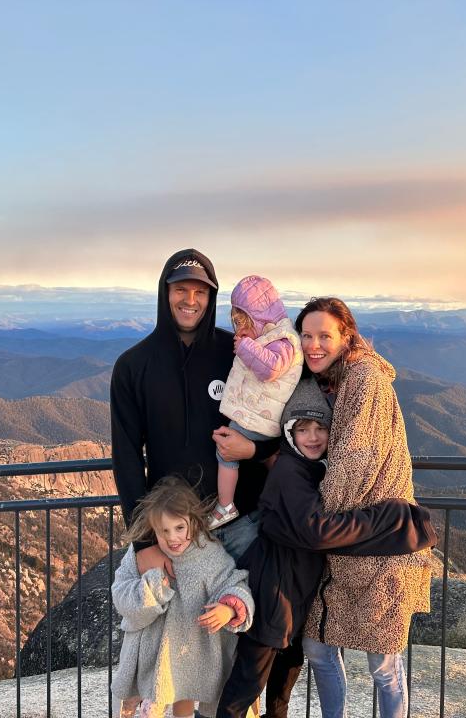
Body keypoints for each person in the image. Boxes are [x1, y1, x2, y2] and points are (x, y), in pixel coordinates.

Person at [216, 379, 437, 718]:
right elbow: (319, 532)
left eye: (321, 427)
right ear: (289, 432)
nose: (314, 436)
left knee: (283, 679)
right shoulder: (290, 472)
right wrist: (400, 522)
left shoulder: (312, 469)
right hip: (276, 593)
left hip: (294, 594)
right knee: (246, 685)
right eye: (303, 429)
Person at [297, 297, 432, 718]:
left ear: (346, 336)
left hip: (381, 546)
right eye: (306, 336)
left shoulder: (364, 380)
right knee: (318, 647)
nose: (314, 345)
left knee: (384, 666)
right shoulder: (333, 380)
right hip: (348, 545)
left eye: (324, 336)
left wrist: (315, 518)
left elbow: (355, 457)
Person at [110, 249, 278, 574]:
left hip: (243, 524)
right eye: (181, 290)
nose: (191, 300)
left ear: (211, 297)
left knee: (249, 619)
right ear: (165, 293)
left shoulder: (240, 355)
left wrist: (256, 449)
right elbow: (126, 456)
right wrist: (144, 543)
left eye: (200, 291)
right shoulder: (133, 367)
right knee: (185, 625)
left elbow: (273, 420)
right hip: (175, 532)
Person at [112, 477, 254, 718]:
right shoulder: (141, 556)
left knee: (183, 696)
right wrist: (153, 588)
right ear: (152, 529)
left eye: (179, 528)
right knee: (156, 701)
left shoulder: (207, 553)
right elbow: (121, 593)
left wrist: (228, 610)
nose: (172, 538)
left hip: (191, 651)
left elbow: (234, 583)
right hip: (154, 656)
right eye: (163, 531)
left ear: (193, 521)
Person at [209, 275, 303, 529]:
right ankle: (283, 499)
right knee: (259, 457)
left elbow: (270, 368)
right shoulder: (274, 338)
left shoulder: (284, 340)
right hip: (260, 413)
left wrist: (246, 348)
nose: (241, 330)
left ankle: (226, 505)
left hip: (261, 416)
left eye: (244, 322)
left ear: (259, 317)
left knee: (225, 451)